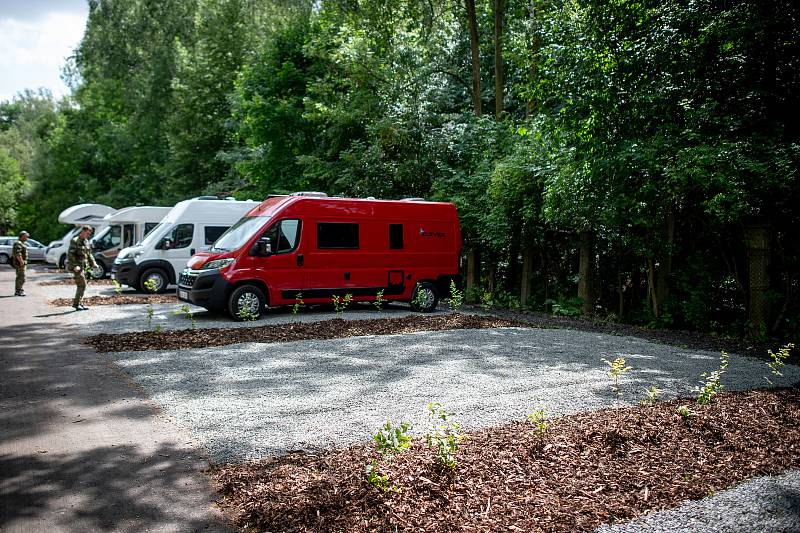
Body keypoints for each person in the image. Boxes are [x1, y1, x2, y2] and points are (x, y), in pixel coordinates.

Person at [67, 226, 97, 310]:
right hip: (77, 267)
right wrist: (74, 265)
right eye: (87, 233)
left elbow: (89, 254)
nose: (88, 235)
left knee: (82, 285)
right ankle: (76, 304)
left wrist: (93, 263)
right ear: (83, 231)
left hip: (84, 266)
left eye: (89, 234)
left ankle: (79, 303)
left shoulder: (86, 241)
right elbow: (70, 254)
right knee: (82, 284)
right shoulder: (75, 240)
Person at [12, 230, 29, 296]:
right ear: (22, 236)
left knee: (20, 277)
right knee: (21, 277)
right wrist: (21, 262)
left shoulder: (21, 243)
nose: (27, 238)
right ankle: (18, 291)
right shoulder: (18, 243)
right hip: (20, 263)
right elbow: (17, 253)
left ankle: (19, 290)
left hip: (21, 263)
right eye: (26, 237)